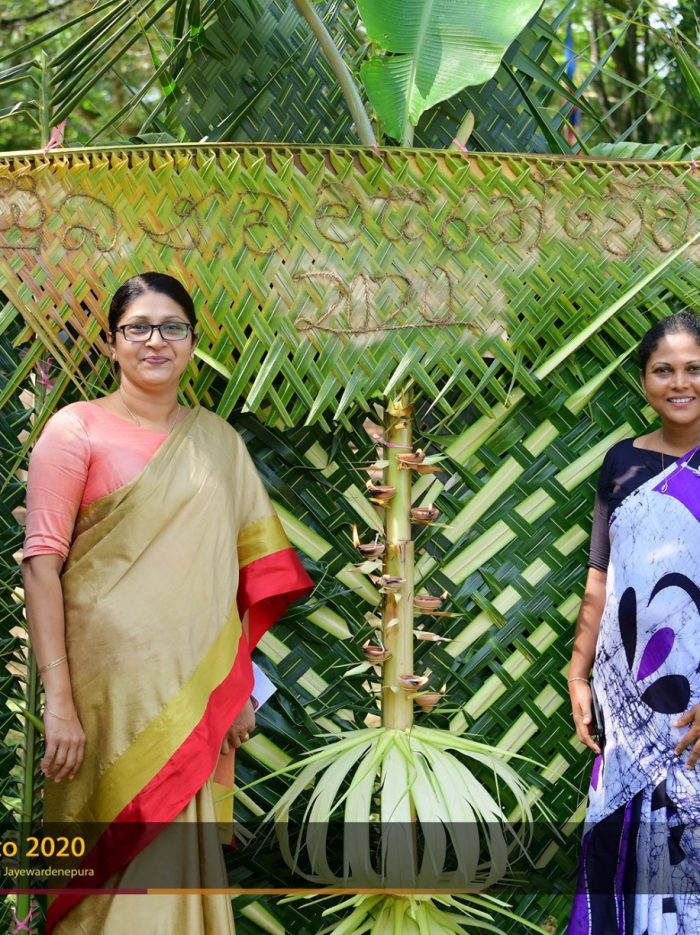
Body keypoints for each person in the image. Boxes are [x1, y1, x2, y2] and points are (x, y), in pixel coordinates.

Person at [21, 272, 313, 933]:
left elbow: (243, 576)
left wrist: (237, 685)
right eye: (138, 328)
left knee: (175, 859)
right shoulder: (76, 430)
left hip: (193, 691)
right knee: (108, 859)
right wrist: (59, 699)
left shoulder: (218, 443)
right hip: (103, 696)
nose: (155, 341)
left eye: (172, 327)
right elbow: (41, 567)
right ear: (112, 342)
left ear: (192, 341)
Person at [568, 310, 700, 934]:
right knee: (620, 843)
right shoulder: (620, 463)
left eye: (694, 368)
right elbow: (601, 575)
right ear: (644, 380)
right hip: (627, 703)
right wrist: (578, 672)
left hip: (695, 704)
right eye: (664, 370)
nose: (681, 383)